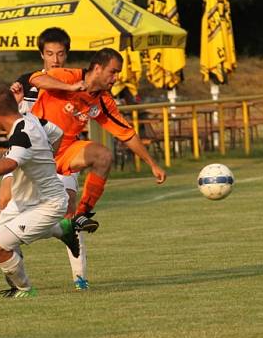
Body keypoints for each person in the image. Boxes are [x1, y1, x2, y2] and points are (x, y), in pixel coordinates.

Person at [0, 27, 93, 291]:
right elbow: (13, 112)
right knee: (6, 201)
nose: (55, 60)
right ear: (42, 54)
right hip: (25, 154)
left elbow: (83, 111)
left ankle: (80, 278)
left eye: (60, 54)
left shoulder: (76, 85)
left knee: (69, 210)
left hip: (59, 154)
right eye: (49, 54)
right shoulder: (28, 82)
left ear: (67, 55)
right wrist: (18, 100)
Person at [0, 85, 80, 298]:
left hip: (49, 203)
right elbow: (58, 133)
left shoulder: (22, 135)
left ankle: (25, 290)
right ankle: (63, 230)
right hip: (23, 200)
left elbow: (9, 164)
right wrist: (46, 159)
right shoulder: (33, 119)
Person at [30, 47, 167, 226]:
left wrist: (152, 164)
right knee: (7, 207)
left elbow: (127, 134)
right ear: (97, 68)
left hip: (64, 153)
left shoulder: (103, 101)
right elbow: (36, 79)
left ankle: (82, 213)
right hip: (33, 150)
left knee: (103, 156)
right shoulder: (68, 76)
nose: (116, 78)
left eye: (118, 73)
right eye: (113, 72)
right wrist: (70, 87)